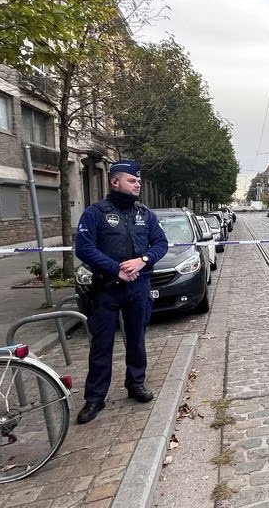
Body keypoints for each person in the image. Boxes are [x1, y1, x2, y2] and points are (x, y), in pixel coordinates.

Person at [74, 160, 168, 424]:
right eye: (132, 180)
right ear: (115, 182)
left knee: (136, 340)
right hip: (106, 288)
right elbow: (84, 248)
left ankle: (135, 383)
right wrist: (116, 268)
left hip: (138, 287)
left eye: (139, 180)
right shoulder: (95, 213)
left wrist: (144, 261)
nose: (137, 183)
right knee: (101, 345)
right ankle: (94, 398)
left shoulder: (145, 214)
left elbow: (161, 243)